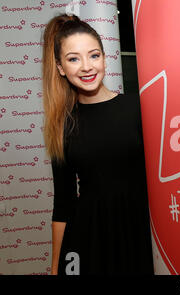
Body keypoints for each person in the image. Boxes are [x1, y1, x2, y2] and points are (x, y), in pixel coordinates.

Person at [42, 13, 153, 275]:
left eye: (94, 55)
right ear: (60, 68)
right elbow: (64, 203)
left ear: (104, 58)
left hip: (142, 230)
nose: (86, 67)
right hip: (90, 239)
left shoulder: (140, 107)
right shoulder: (62, 126)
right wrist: (57, 266)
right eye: (73, 59)